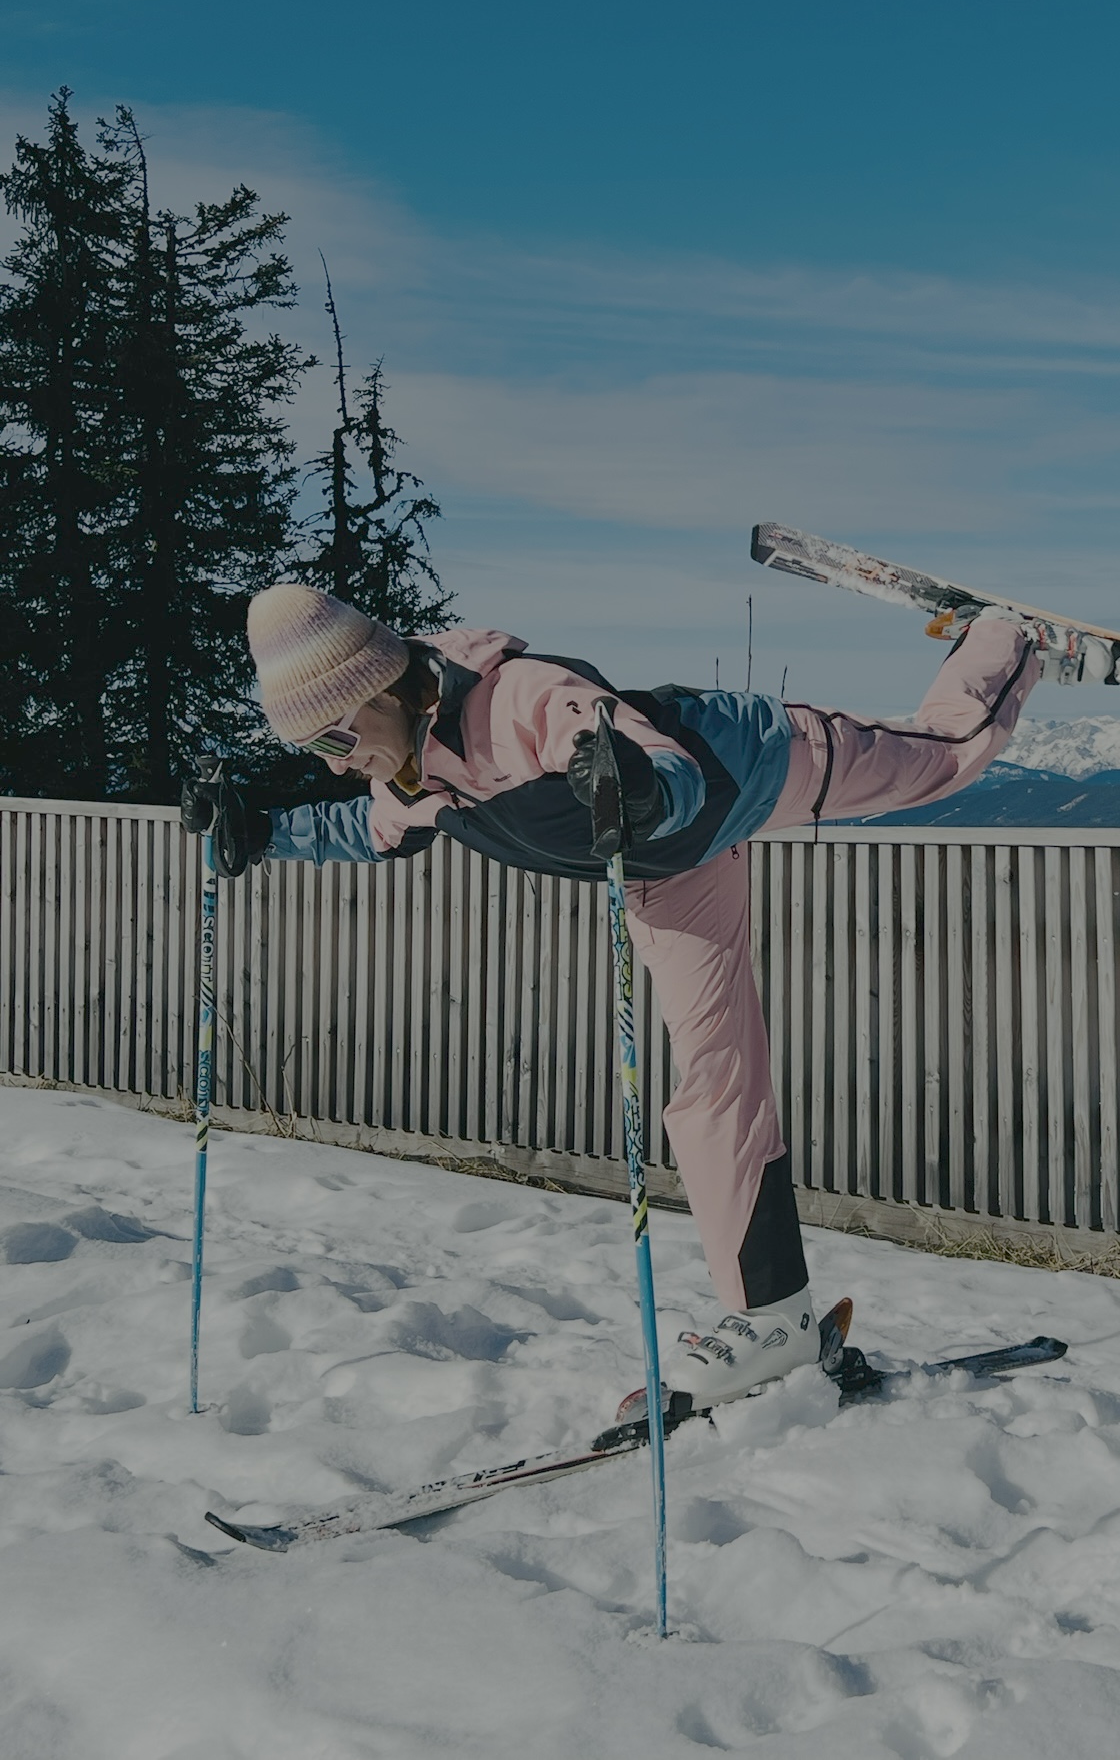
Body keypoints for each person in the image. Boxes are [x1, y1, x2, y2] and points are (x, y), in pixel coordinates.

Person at [183, 583, 1073, 1407]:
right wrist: (261, 831)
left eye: (334, 739)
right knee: (715, 1081)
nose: (337, 765)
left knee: (944, 758)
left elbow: (651, 758)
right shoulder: (412, 775)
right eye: (312, 751)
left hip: (758, 762)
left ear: (382, 686)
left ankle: (1009, 636)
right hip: (668, 876)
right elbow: (361, 830)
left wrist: (639, 786)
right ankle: (774, 1318)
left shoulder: (522, 695)